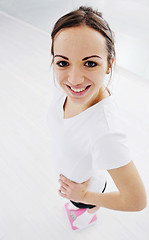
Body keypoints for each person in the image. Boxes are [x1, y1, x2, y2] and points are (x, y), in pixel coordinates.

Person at [47, 6, 147, 231]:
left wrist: (84, 195)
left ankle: (88, 215)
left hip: (86, 189)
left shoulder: (105, 133)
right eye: (63, 62)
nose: (74, 79)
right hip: (75, 177)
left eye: (90, 63)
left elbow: (137, 200)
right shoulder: (66, 87)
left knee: (85, 207)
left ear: (110, 64)